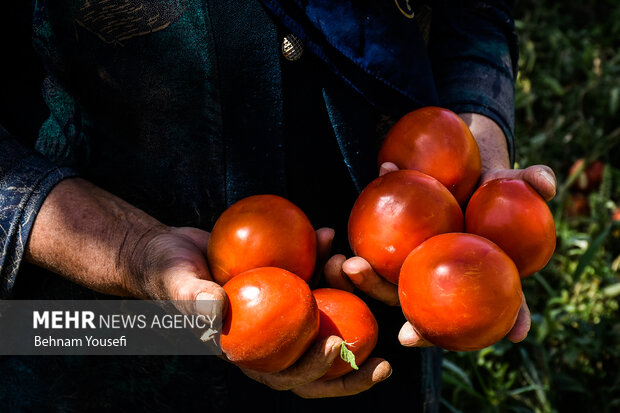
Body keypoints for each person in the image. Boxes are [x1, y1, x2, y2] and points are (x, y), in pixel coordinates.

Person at [0, 0, 556, 411]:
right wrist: (128, 251)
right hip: (86, 330)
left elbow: (474, 11)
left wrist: (478, 146)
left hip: (370, 314)